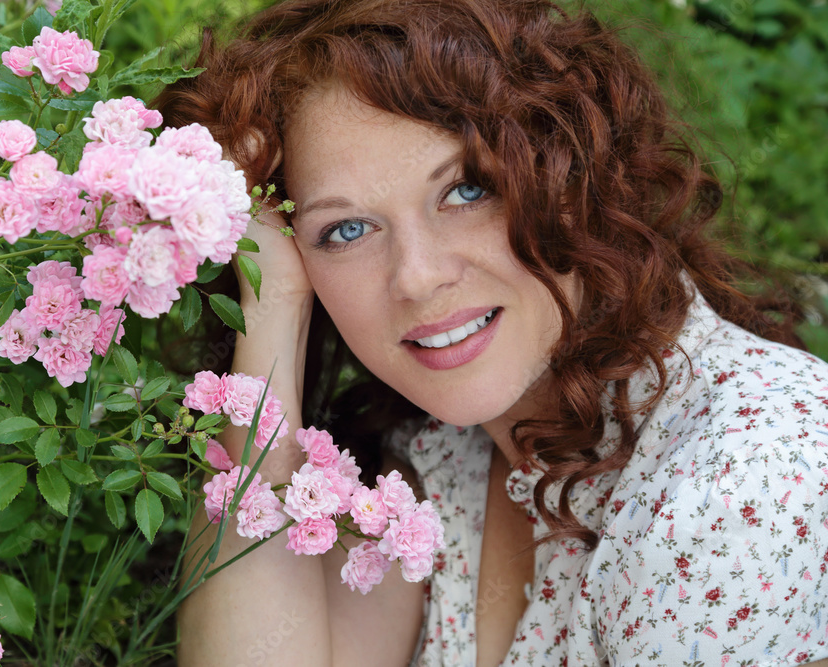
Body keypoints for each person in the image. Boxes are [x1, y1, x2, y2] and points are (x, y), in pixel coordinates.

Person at [153, 0, 828, 664]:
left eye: (466, 190)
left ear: (572, 173)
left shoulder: (741, 482)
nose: (416, 277)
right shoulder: (440, 465)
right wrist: (270, 299)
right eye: (346, 230)